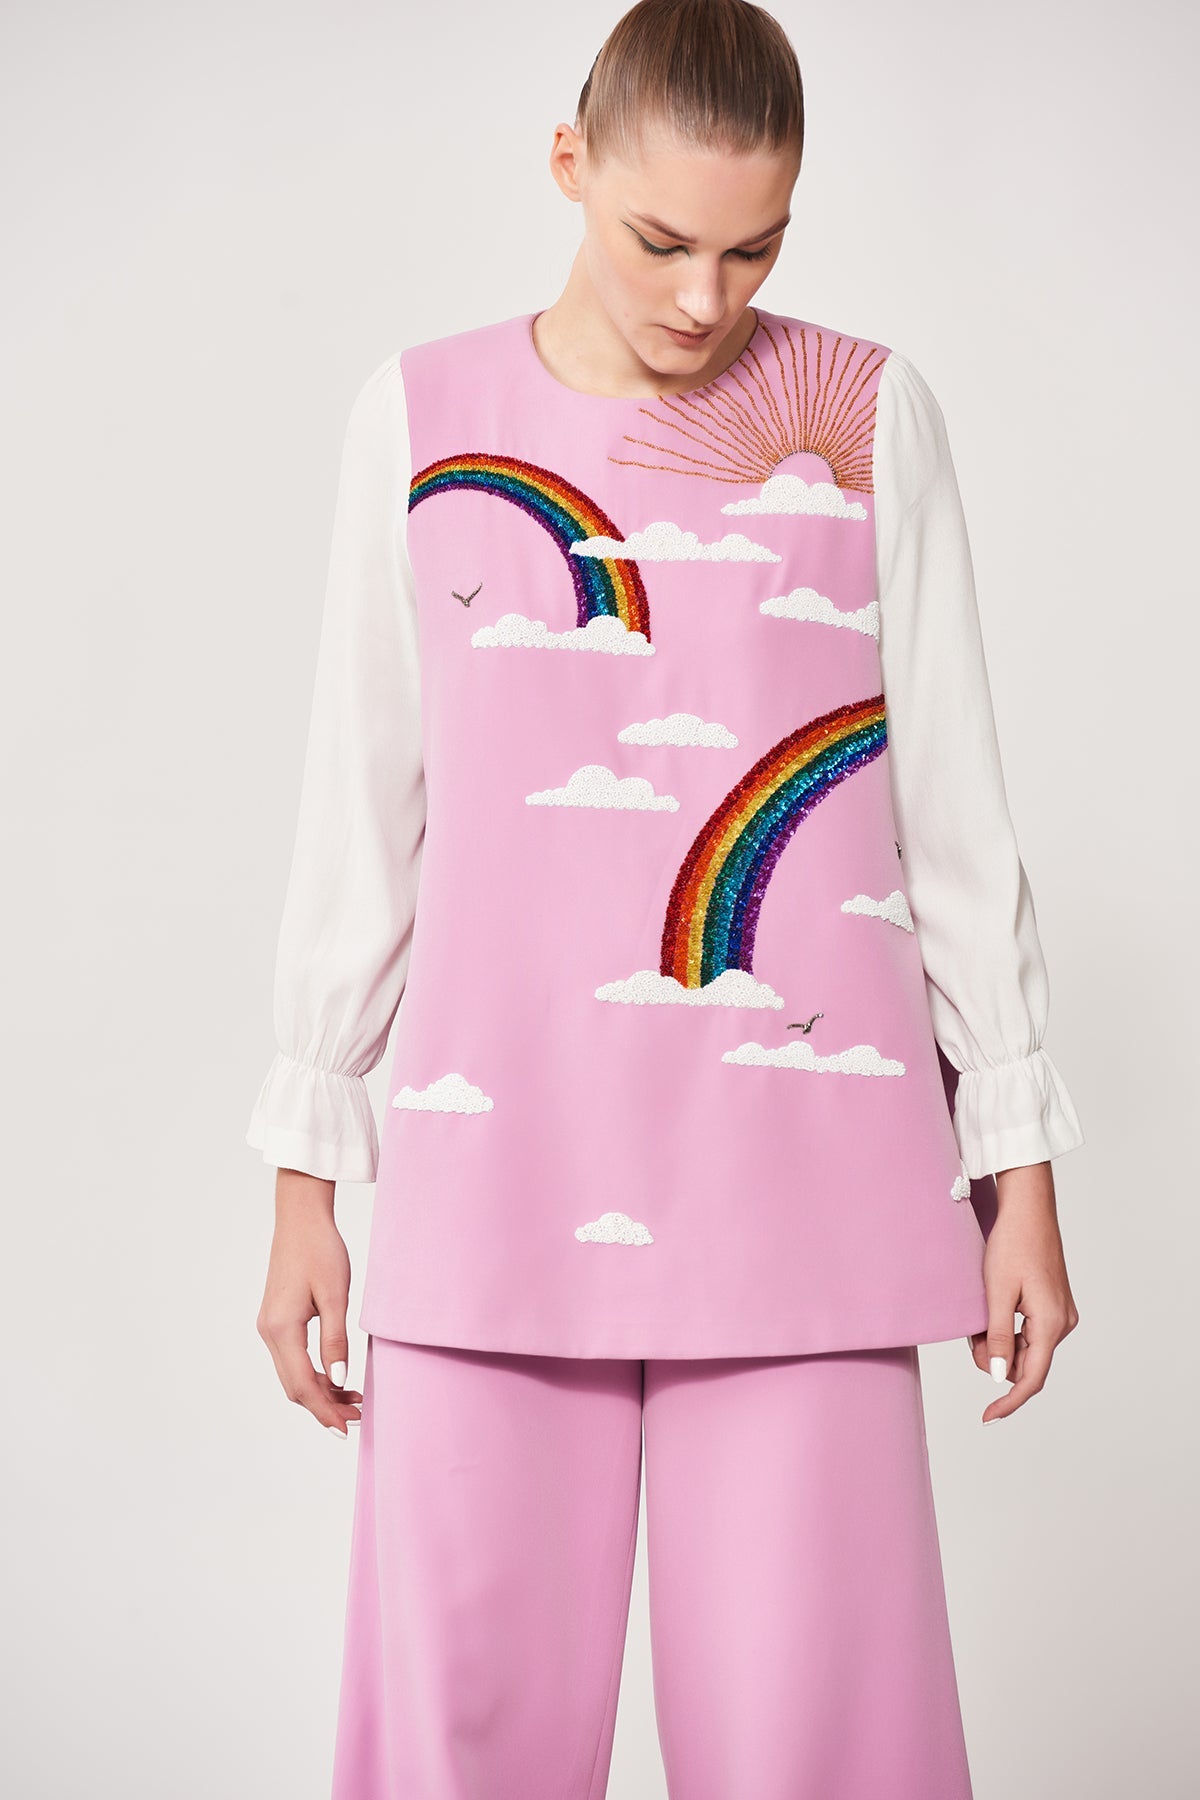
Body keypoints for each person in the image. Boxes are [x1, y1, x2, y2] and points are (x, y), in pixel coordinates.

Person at [246, 3, 1085, 1794]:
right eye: (661, 240)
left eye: (755, 248)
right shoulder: (421, 417)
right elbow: (365, 810)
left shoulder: (865, 416)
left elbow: (952, 816)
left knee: (823, 1754)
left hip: (812, 1201)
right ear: (570, 165)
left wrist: (1017, 1172)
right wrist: (307, 1173)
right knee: (460, 1744)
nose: (707, 298)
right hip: (494, 1185)